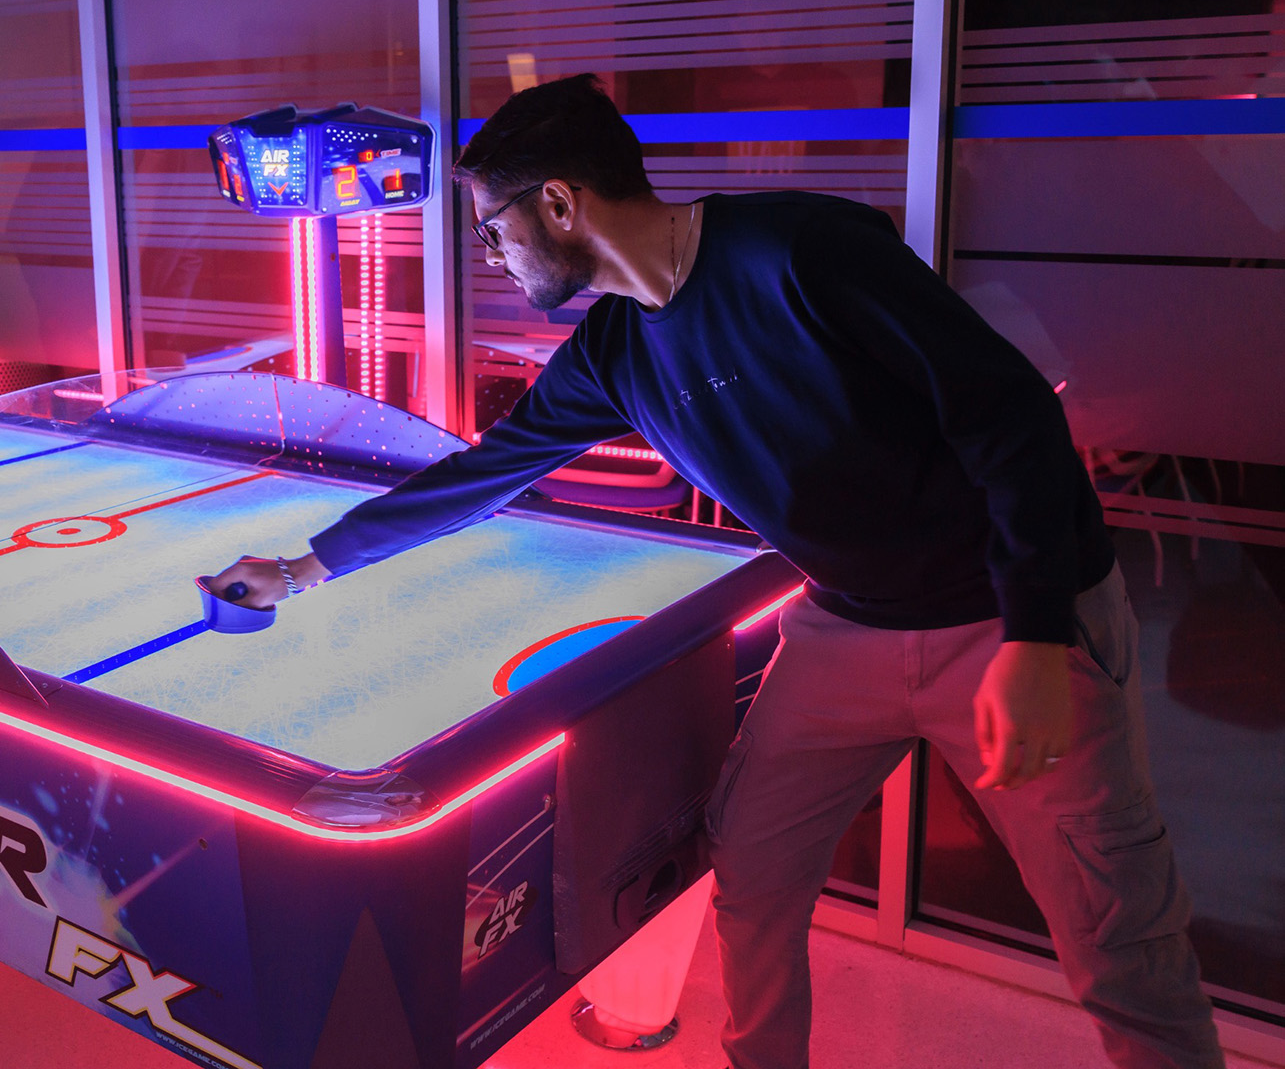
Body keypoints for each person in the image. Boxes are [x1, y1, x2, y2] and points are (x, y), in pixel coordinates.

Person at [207, 75, 1223, 1069]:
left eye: (493, 228)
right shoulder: (611, 352)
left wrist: (1037, 633)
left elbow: (1009, 414)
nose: (491, 256)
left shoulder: (798, 250)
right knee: (751, 863)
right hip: (846, 630)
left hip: (1005, 615)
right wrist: (302, 567)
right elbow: (482, 474)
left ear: (559, 203)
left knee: (1112, 927)